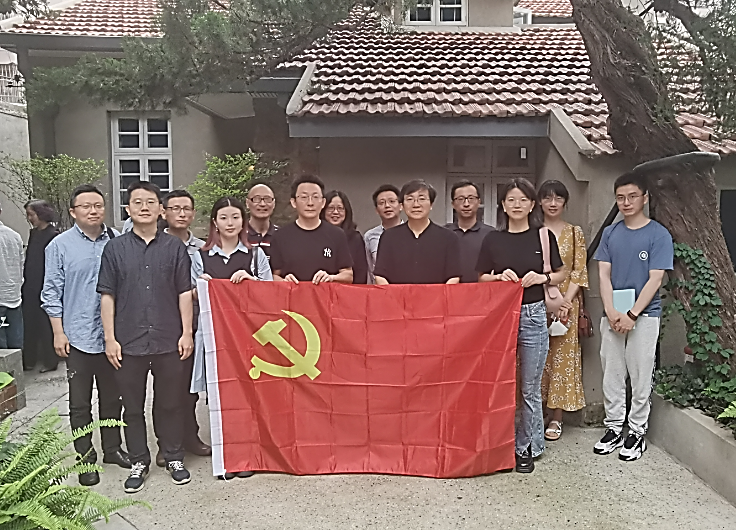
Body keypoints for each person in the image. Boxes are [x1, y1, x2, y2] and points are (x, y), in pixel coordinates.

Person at [97, 181, 194, 494]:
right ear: (128, 209)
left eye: (150, 202)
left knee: (170, 402)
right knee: (132, 406)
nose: (144, 207)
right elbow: (107, 295)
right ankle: (139, 460)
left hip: (169, 338)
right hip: (128, 341)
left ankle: (174, 456)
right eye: (137, 202)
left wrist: (186, 332)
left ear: (160, 209)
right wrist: (110, 338)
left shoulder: (174, 248)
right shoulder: (114, 249)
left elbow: (184, 292)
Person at [42, 185, 130, 486]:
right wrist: (58, 332)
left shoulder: (117, 241)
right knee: (80, 403)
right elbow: (51, 292)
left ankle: (112, 449)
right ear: (73, 212)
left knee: (113, 398)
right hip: (77, 335)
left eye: (98, 205)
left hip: (113, 336)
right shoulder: (59, 246)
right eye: (86, 206)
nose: (93, 211)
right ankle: (85, 458)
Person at [476, 178, 565, 474]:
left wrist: (542, 278)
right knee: (498, 383)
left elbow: (561, 273)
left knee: (529, 386)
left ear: (532, 205)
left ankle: (528, 446)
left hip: (534, 313)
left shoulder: (543, 236)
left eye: (523, 200)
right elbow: (480, 277)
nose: (517, 205)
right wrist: (498, 277)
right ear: (502, 205)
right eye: (511, 200)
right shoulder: (493, 239)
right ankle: (498, 443)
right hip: (500, 317)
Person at [593, 172, 673, 462]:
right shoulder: (610, 233)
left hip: (644, 315)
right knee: (612, 373)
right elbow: (603, 275)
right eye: (620, 198)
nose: (626, 202)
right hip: (612, 315)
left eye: (632, 196)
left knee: (640, 374)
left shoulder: (658, 235)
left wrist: (632, 314)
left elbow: (656, 279)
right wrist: (612, 311)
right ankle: (614, 427)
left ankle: (637, 432)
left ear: (645, 198)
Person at [192, 197, 272, 480]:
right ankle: (226, 456)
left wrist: (251, 282)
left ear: (243, 221)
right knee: (219, 396)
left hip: (249, 339)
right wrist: (202, 287)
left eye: (235, 217)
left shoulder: (255, 256)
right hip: (215, 339)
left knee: (248, 396)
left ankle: (247, 453)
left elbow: (270, 295)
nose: (230, 223)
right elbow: (190, 294)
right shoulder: (200, 256)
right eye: (224, 218)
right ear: (215, 222)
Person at [150, 190, 211, 469]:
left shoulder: (203, 248)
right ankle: (166, 444)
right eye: (175, 208)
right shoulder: (155, 245)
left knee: (190, 388)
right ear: (164, 212)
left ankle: (190, 437)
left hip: (196, 325)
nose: (182, 213)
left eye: (187, 208)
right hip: (165, 325)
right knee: (166, 390)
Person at [537, 181, 589, 442]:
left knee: (562, 360)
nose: (553, 203)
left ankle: (557, 416)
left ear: (565, 202)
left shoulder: (574, 233)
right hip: (537, 302)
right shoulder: (533, 231)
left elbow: (579, 270)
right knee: (536, 358)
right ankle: (538, 413)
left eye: (558, 198)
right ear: (539, 202)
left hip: (567, 304)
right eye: (547, 198)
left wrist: (565, 303)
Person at [374, 180, 462, 285]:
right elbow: (380, 276)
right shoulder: (389, 237)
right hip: (397, 295)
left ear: (431, 204)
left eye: (422, 199)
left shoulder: (448, 237)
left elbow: (453, 277)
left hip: (437, 295)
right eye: (410, 199)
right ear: (402, 205)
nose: (416, 204)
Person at [270, 175, 353, 284]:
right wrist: (284, 281)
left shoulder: (337, 234)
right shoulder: (280, 236)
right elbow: (273, 276)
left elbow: (348, 275)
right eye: (304, 197)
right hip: (292, 294)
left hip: (326, 294)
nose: (310, 203)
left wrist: (331, 277)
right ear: (293, 202)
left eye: (315, 197)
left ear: (323, 202)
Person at [22, 200, 59, 372]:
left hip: (46, 285)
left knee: (46, 325)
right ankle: (29, 359)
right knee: (30, 323)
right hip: (30, 285)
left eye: (32, 214)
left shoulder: (53, 235)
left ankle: (50, 360)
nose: (30, 218)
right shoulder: (33, 233)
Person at [444, 180, 495, 283]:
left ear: (479, 202)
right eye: (460, 199)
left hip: (481, 291)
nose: (466, 204)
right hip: (450, 291)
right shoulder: (444, 234)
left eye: (471, 198)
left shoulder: (491, 234)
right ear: (453, 204)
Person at [321, 190, 369, 284]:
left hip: (348, 290)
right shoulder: (317, 235)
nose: (335, 212)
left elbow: (361, 272)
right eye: (331, 208)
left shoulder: (355, 238)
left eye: (340, 208)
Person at [364, 185, 402, 284]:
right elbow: (369, 270)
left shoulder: (411, 233)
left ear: (401, 206)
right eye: (381, 203)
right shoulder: (370, 236)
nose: (387, 206)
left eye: (392, 201)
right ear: (376, 210)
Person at [0, 200, 24, 350]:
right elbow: (21, 264)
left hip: (2, 298)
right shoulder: (15, 236)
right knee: (16, 341)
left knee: (1, 347)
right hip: (14, 296)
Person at [246, 183, 278, 259]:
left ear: (274, 204)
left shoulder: (282, 236)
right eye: (257, 199)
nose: (262, 204)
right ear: (247, 203)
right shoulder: (238, 235)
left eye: (267, 199)